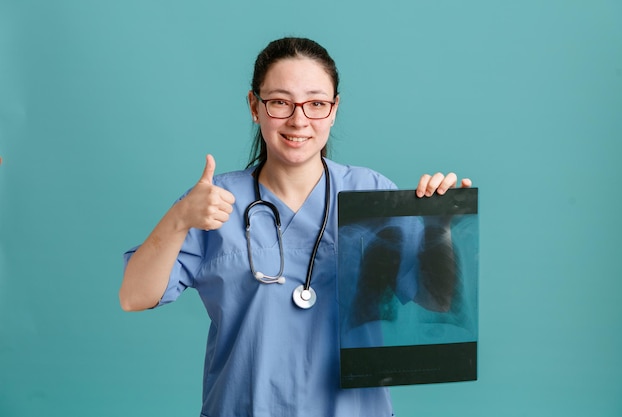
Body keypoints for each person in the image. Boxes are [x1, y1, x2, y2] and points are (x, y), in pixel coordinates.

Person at [120, 37, 472, 417]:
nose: (298, 119)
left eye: (316, 103)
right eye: (280, 102)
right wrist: (178, 219)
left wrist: (439, 229)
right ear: (255, 106)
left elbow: (436, 301)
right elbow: (134, 296)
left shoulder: (372, 195)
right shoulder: (214, 201)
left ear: (334, 110)